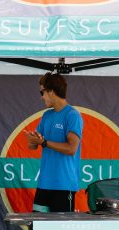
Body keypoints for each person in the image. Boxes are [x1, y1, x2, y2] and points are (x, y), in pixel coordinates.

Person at [24, 72, 84, 213]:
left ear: (51, 92)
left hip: (64, 186)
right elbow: (32, 146)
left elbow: (71, 149)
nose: (41, 97)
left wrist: (44, 142)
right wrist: (32, 140)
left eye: (42, 92)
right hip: (44, 184)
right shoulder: (46, 115)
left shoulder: (72, 115)